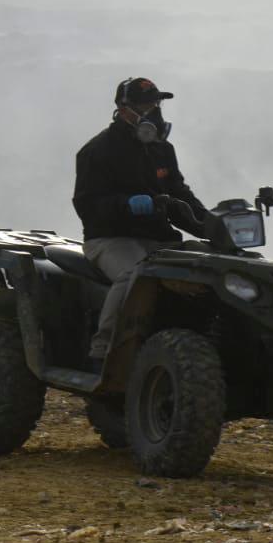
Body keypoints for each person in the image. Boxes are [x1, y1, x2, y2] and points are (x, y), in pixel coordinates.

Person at [73, 78, 208, 361]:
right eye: (144, 104)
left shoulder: (162, 150)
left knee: (213, 266)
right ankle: (105, 348)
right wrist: (126, 205)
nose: (152, 110)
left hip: (158, 239)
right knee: (133, 275)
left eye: (155, 103)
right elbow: (86, 205)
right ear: (124, 109)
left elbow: (178, 195)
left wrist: (210, 225)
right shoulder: (97, 150)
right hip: (109, 239)